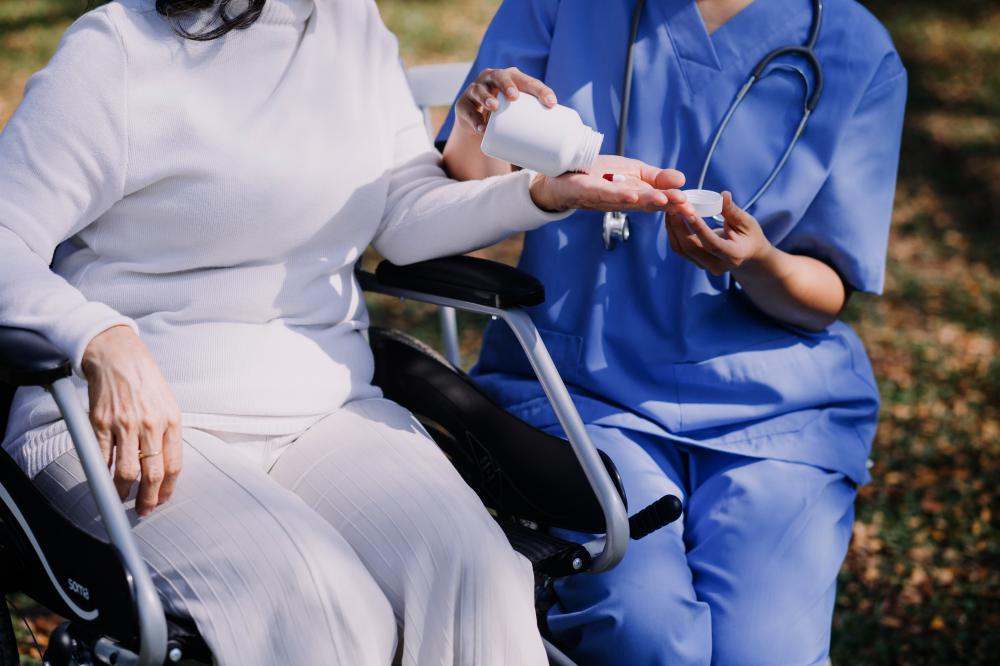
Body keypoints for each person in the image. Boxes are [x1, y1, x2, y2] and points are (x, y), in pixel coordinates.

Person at [0, 0, 687, 664]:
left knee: (475, 574)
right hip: (128, 427)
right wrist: (99, 338)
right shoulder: (119, 49)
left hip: (321, 410)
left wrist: (540, 192)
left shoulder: (351, 26)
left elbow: (403, 213)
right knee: (319, 608)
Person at [439, 0, 907, 663]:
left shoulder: (857, 48)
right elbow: (466, 188)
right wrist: (471, 121)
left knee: (763, 655)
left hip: (775, 411)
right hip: (584, 392)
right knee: (643, 635)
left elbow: (824, 295)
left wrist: (761, 264)